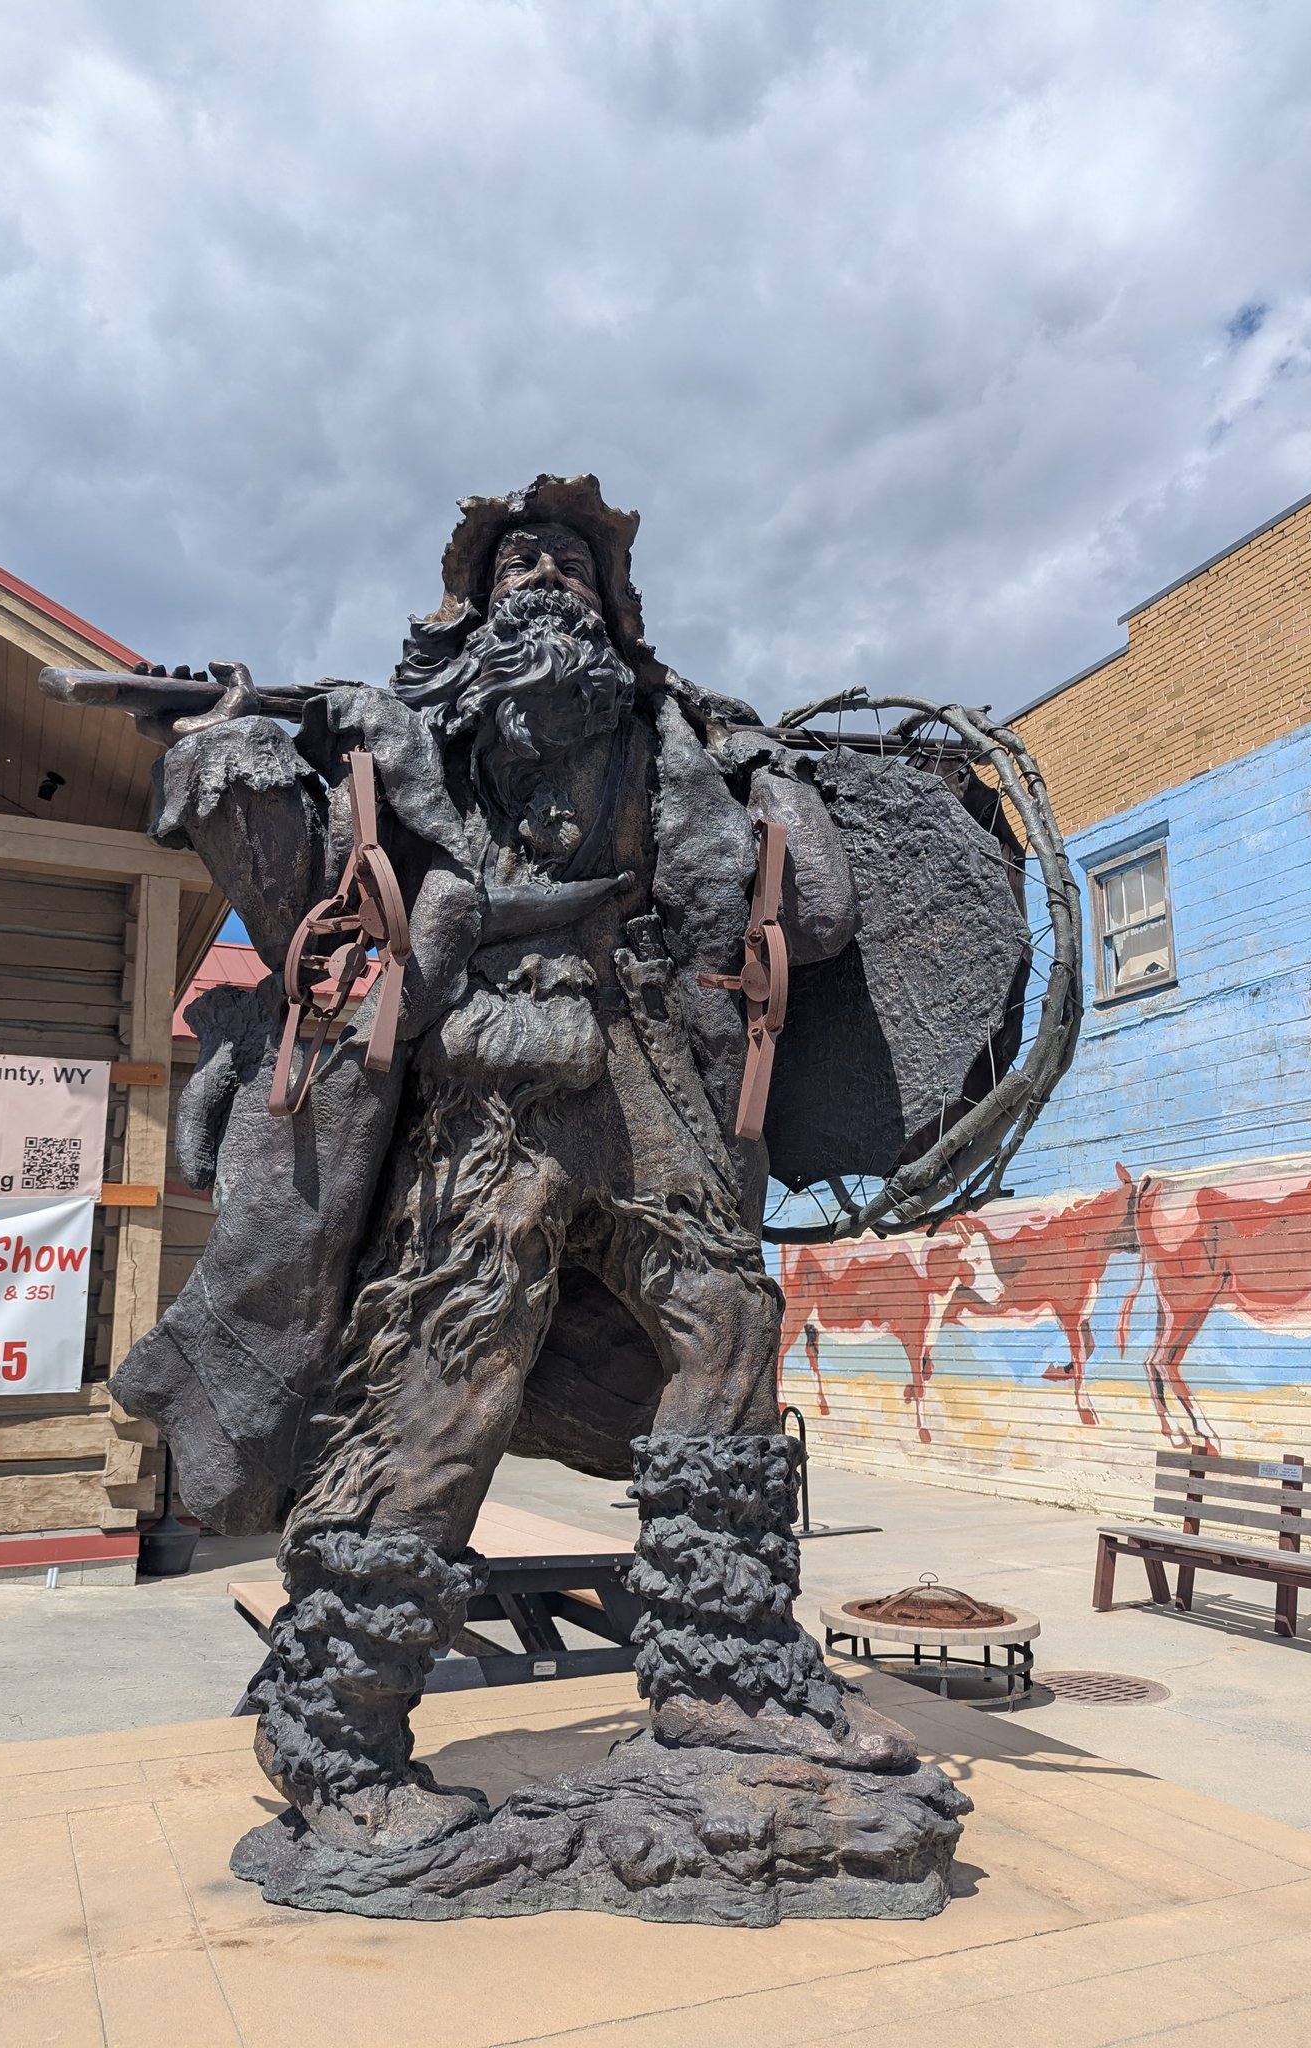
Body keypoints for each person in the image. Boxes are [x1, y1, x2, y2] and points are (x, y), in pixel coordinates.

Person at [115, 477, 917, 1869]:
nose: (544, 574)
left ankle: (719, 1674)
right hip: (484, 1081)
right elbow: (306, 870)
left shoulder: (674, 737)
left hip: (646, 1061)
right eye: (517, 560)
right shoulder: (402, 724)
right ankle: (337, 1735)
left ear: (614, 606)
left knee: (729, 1319)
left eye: (570, 562)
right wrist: (238, 732)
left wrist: (763, 768)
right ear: (474, 600)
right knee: (450, 1378)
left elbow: (800, 908)